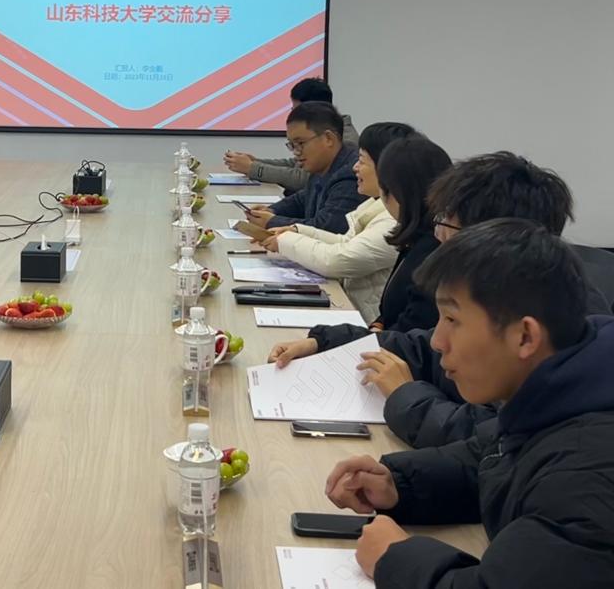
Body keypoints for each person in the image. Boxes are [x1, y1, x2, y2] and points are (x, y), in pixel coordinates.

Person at [323, 220, 614, 587]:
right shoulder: (561, 395)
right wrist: (399, 486)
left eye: (452, 319)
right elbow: (493, 458)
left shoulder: (588, 476)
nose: (437, 341)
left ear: (525, 336)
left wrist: (395, 558)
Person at [267, 151, 610, 448]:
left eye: (448, 224)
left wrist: (405, 395)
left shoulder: (556, 325)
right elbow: (423, 349)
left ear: (497, 236)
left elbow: (487, 440)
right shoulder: (503, 289)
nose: (438, 234)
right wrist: (328, 342)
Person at [257, 123, 417, 322]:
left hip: (367, 322)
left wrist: (285, 240)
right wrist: (297, 231)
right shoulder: (375, 204)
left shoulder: (393, 219)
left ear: (387, 168)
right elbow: (345, 241)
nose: (355, 167)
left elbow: (338, 259)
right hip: (352, 308)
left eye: (362, 161)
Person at [366, 136, 453, 332]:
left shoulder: (434, 248)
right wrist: (377, 326)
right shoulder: (417, 238)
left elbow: (412, 326)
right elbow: (390, 311)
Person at [245, 102, 366, 235]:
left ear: (328, 138)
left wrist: (272, 222)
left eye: (300, 143)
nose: (296, 152)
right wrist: (272, 210)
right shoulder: (322, 164)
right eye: (292, 145)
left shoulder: (351, 174)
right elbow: (303, 198)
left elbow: (326, 228)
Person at [223, 78, 359, 191]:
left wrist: (253, 168)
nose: (293, 116)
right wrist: (255, 161)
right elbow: (295, 164)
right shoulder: (325, 132)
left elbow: (303, 179)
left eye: (297, 110)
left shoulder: (345, 142)